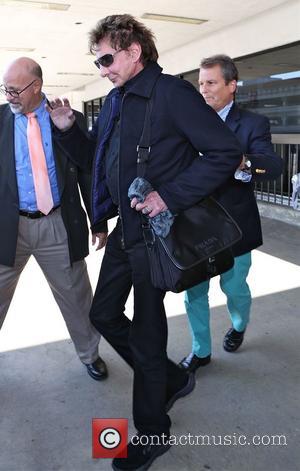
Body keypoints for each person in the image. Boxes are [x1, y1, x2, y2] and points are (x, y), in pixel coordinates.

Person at [47, 16, 243, 470]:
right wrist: (68, 130)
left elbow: (224, 152)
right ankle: (171, 380)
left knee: (149, 340)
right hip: (125, 235)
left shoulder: (172, 94)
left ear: (134, 51)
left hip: (156, 237)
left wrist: (168, 195)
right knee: (103, 313)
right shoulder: (118, 100)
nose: (102, 69)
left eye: (107, 59)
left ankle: (153, 433)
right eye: (97, 62)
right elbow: (100, 162)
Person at [0, 57, 108, 381]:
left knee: (76, 295)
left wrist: (98, 220)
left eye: (15, 89)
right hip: (10, 226)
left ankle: (90, 354)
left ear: (37, 87)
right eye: (5, 88)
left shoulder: (69, 118)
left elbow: (89, 171)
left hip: (57, 224)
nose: (9, 95)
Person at [179, 54, 283, 374]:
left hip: (236, 225)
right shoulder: (187, 122)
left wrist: (243, 162)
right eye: (200, 83)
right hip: (194, 224)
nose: (204, 89)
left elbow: (273, 166)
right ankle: (201, 351)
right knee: (194, 293)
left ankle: (238, 325)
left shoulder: (253, 124)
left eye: (211, 83)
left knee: (234, 288)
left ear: (231, 85)